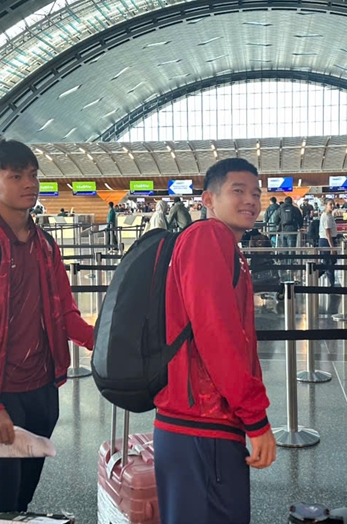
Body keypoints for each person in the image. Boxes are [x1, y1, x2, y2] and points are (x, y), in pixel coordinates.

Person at [0, 139, 94, 514]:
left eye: (32, 175)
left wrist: (105, 343)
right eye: (16, 176)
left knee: (23, 495)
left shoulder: (45, 244)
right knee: (0, 502)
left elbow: (64, 312)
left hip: (42, 389)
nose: (30, 184)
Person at [154, 158, 274, 524]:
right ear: (208, 199)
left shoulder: (224, 244)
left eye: (256, 193)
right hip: (202, 424)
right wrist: (256, 419)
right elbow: (217, 335)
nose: (250, 200)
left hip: (201, 423)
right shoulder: (207, 237)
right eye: (238, 191)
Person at [318, 199, 340, 286]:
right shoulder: (326, 216)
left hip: (328, 240)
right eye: (330, 204)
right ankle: (331, 283)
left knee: (329, 263)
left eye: (333, 204)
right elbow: (328, 233)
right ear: (326, 205)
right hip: (326, 241)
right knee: (329, 263)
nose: (332, 206)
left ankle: (331, 282)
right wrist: (332, 247)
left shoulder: (329, 215)